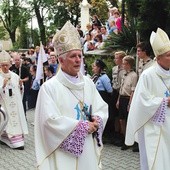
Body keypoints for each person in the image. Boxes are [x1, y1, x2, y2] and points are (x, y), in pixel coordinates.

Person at [34, 21, 108, 170]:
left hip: (87, 147)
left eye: (79, 56)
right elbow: (48, 121)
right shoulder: (49, 88)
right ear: (61, 60)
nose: (78, 60)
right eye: (73, 56)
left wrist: (97, 119)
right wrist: (81, 127)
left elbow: (101, 107)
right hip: (63, 154)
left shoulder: (88, 83)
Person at [125, 28, 170, 169]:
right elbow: (141, 103)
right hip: (154, 128)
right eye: (169, 55)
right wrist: (164, 102)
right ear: (159, 57)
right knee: (156, 162)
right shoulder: (148, 75)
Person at [0, 50, 28, 150]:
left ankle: (17, 140)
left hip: (15, 104)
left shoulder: (15, 76)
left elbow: (21, 90)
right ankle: (5, 137)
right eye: (2, 65)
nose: (5, 67)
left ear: (9, 64)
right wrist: (2, 85)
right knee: (6, 121)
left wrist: (21, 86)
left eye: (6, 65)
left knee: (16, 120)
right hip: (5, 103)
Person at [116, 55, 138, 150]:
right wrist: (118, 100)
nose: (123, 65)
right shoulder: (124, 74)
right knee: (121, 120)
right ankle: (124, 138)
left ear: (128, 64)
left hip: (128, 98)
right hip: (122, 98)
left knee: (129, 120)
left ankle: (131, 140)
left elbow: (133, 91)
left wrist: (130, 103)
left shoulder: (134, 75)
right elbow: (121, 88)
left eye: (124, 63)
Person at [91, 59, 113, 143]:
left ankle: (107, 135)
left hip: (104, 98)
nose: (93, 68)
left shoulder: (104, 77)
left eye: (95, 66)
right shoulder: (95, 76)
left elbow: (109, 90)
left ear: (99, 68)